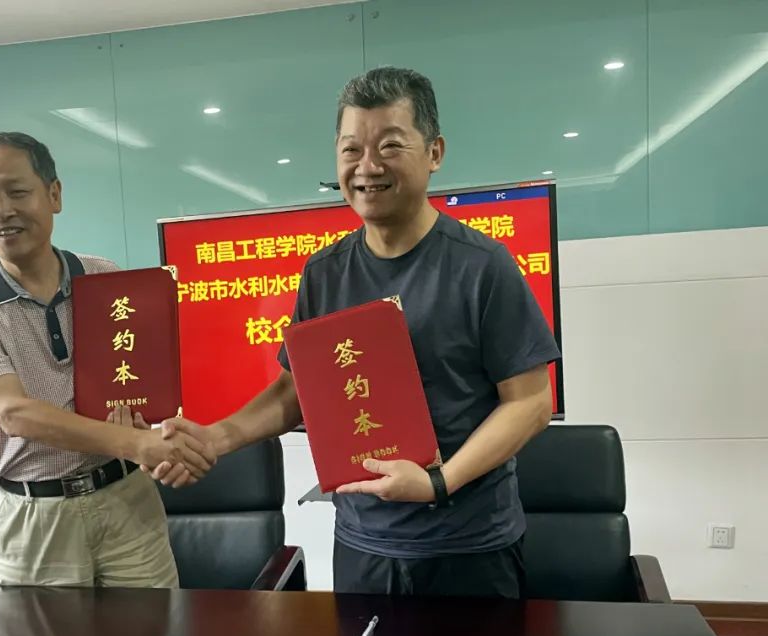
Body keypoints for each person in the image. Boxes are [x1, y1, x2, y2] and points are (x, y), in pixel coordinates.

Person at [154, 68, 560, 598]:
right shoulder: (325, 273)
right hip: (363, 545)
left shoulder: (482, 266)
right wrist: (215, 438)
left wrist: (438, 482)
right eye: (351, 150)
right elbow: (296, 391)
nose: (368, 167)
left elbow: (530, 402)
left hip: (470, 547)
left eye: (390, 145)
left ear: (434, 152)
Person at [0, 132, 214, 588]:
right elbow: (13, 413)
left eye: (17, 191)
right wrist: (137, 444)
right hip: (36, 518)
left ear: (54, 195)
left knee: (154, 631)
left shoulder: (105, 278)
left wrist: (146, 428)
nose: (1, 211)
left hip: (126, 501)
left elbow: (135, 388)